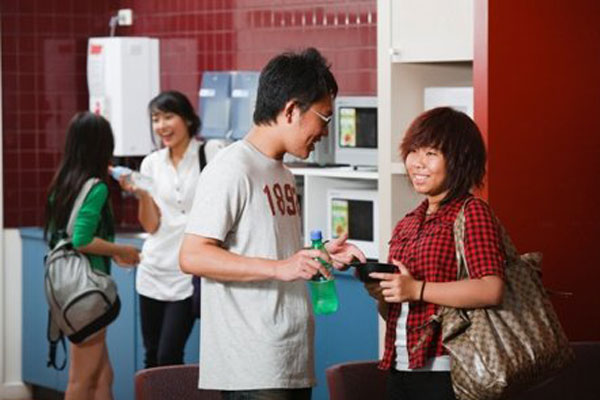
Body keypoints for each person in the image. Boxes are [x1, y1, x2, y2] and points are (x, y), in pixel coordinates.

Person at [179, 48, 367, 400]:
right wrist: (281, 267)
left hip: (288, 359)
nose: (325, 132)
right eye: (324, 119)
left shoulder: (280, 170)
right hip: (253, 366)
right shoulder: (232, 167)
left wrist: (317, 256)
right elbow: (193, 256)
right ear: (292, 109)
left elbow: (270, 252)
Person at [364, 107, 506, 400]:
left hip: (446, 369)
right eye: (413, 151)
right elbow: (398, 310)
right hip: (399, 365)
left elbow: (491, 289)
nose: (417, 163)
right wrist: (385, 294)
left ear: (458, 160)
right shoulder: (407, 223)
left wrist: (416, 288)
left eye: (431, 153)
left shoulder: (471, 213)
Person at [44, 112, 140, 400]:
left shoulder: (63, 183)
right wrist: (121, 250)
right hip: (87, 293)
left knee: (102, 377)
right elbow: (81, 239)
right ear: (102, 146)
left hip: (65, 289)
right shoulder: (95, 187)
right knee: (81, 381)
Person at [117, 90, 202, 368]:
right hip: (153, 269)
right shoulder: (151, 163)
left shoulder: (208, 155)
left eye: (169, 116)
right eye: (156, 119)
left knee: (170, 355)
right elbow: (152, 225)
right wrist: (141, 195)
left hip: (188, 273)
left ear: (188, 119)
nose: (161, 125)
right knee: (152, 356)